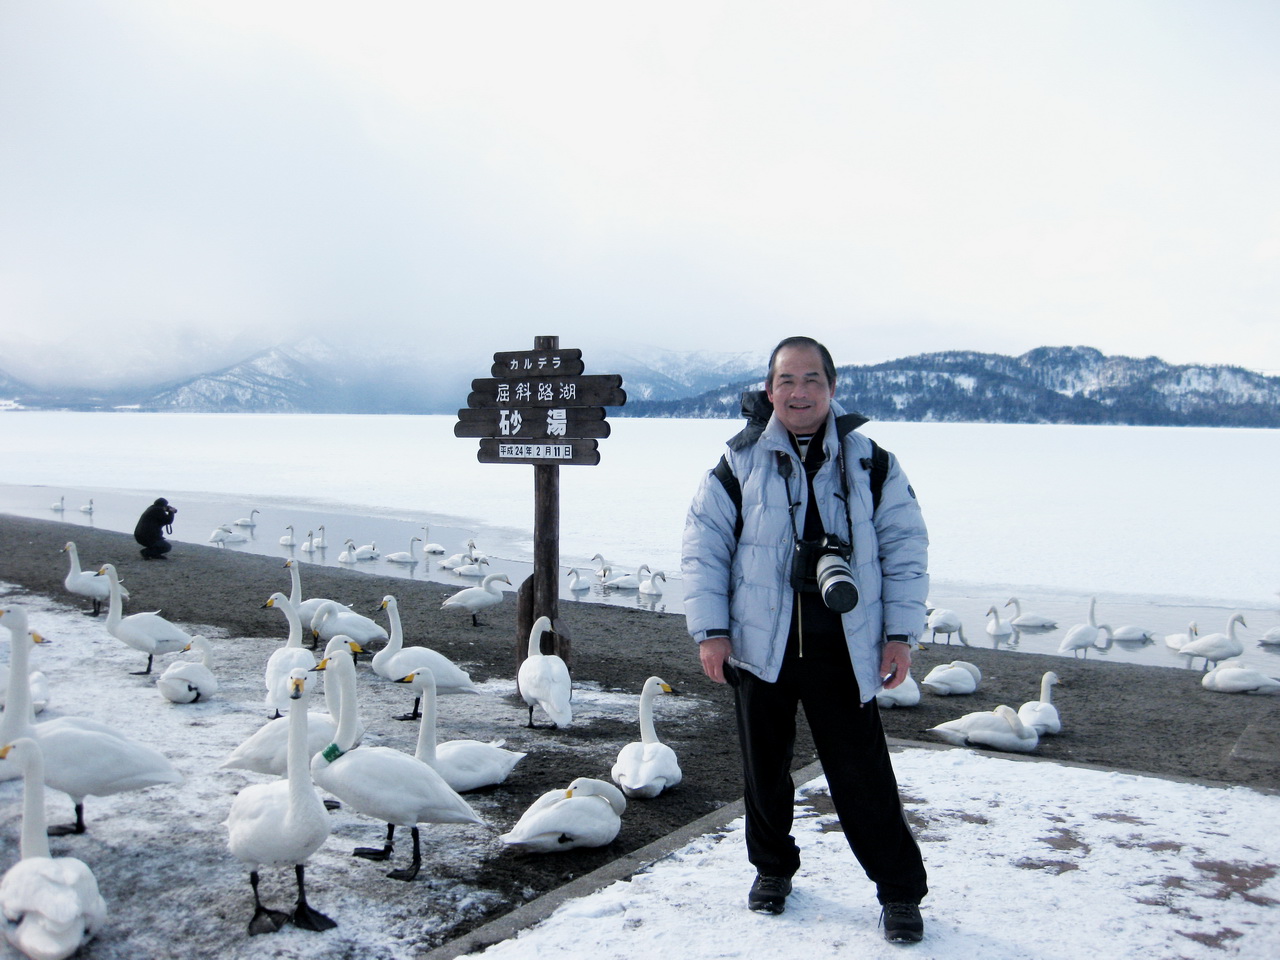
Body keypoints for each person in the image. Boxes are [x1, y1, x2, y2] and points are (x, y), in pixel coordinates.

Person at [682, 336, 929, 943]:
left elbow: (905, 550)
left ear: (832, 388)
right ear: (769, 391)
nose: (799, 392)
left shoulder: (872, 463)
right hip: (758, 646)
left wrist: (899, 635)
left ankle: (899, 891)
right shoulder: (739, 462)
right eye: (787, 380)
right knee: (764, 771)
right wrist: (712, 632)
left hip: (845, 647)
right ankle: (772, 869)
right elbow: (704, 548)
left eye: (812, 379)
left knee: (863, 776)